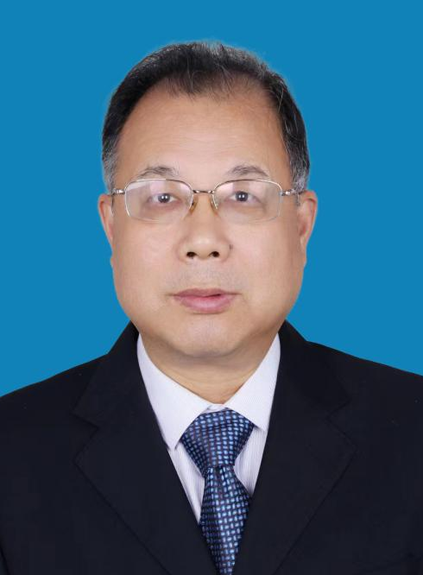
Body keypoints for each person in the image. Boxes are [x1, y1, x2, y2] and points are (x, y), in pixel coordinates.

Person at [0, 41, 422, 575]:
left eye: (243, 195)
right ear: (111, 226)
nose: (203, 241)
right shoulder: (11, 455)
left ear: (301, 225)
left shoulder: (412, 433)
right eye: (162, 197)